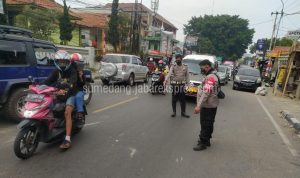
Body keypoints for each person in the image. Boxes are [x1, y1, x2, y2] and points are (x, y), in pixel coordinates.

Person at [44, 50, 78, 149]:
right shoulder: (56, 71)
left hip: (71, 94)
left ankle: (67, 139)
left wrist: (68, 86)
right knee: (46, 107)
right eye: (60, 61)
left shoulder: (72, 70)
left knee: (67, 112)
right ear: (57, 62)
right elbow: (47, 81)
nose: (62, 63)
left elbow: (73, 82)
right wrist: (36, 86)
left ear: (68, 62)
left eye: (64, 61)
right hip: (58, 95)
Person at [193, 59, 219, 151]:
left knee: (205, 124)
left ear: (207, 66)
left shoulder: (211, 77)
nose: (201, 69)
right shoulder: (210, 75)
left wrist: (198, 106)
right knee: (209, 123)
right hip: (210, 105)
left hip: (208, 106)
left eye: (202, 68)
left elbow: (206, 93)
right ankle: (207, 140)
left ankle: (203, 142)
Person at [164, 54, 190, 118]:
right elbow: (169, 73)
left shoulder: (185, 66)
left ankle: (183, 112)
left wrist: (188, 84)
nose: (177, 59)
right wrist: (165, 80)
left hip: (182, 85)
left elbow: (187, 76)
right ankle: (174, 112)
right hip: (175, 85)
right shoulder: (173, 66)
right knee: (174, 99)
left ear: (181, 59)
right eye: (176, 58)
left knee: (183, 99)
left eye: (179, 58)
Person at [70, 53, 86, 122]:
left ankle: (80, 113)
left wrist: (81, 77)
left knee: (78, 97)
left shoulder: (81, 72)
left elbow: (83, 83)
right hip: (70, 89)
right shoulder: (69, 71)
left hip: (79, 89)